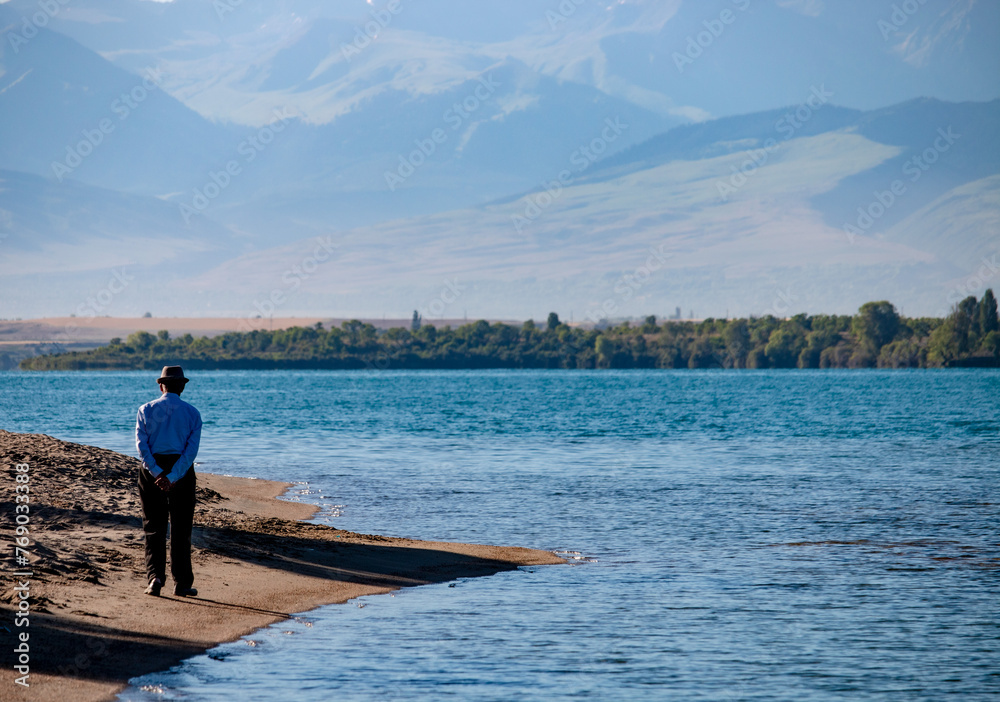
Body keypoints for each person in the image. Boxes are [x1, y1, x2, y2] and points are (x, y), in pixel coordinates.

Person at [135, 365, 203, 597]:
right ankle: (182, 583)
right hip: (181, 470)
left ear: (160, 385)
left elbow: (142, 447)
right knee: (181, 528)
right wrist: (173, 476)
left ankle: (155, 578)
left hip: (152, 469)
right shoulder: (192, 413)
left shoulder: (145, 409)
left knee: (153, 527)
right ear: (182, 387)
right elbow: (190, 452)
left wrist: (157, 473)